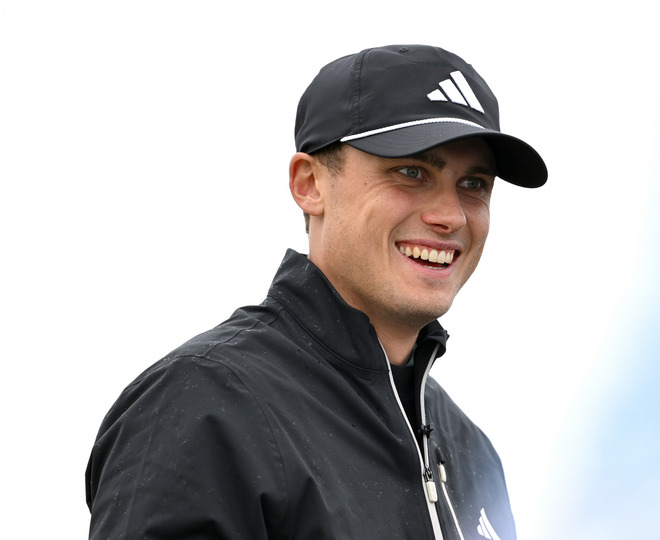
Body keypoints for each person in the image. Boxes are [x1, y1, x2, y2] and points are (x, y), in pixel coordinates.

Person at [85, 44, 547, 540]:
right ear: (309, 183)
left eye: (474, 183)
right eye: (412, 172)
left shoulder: (473, 452)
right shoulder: (206, 404)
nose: (451, 215)